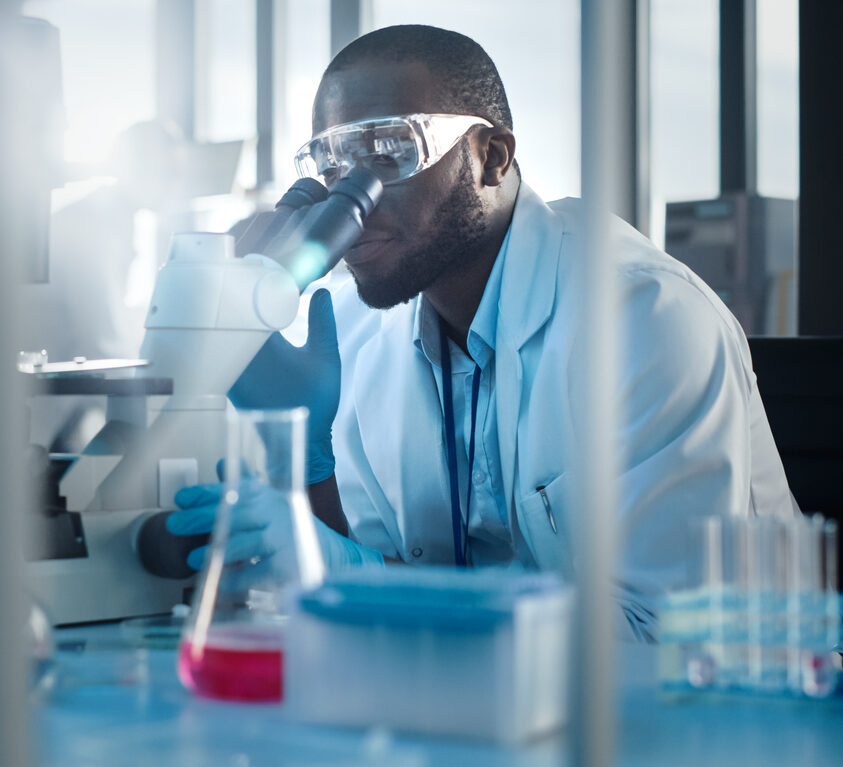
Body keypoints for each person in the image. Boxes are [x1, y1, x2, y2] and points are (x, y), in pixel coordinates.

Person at [165, 24, 797, 640]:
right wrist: (308, 470)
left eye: (389, 152)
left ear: (491, 157)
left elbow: (661, 640)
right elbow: (363, 586)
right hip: (473, 708)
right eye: (331, 166)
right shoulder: (351, 329)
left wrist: (352, 575)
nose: (354, 203)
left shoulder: (645, 320)